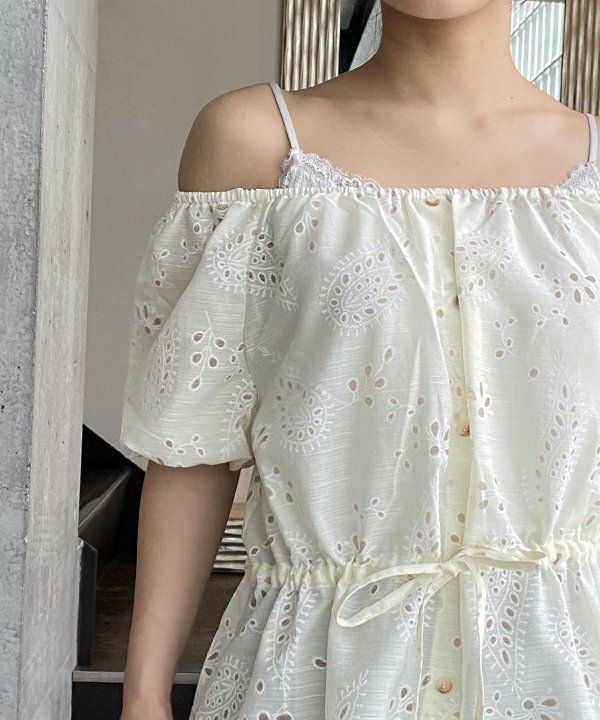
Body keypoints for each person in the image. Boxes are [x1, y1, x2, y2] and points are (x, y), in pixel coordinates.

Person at [118, 2, 600, 719]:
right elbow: (193, 445)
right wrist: (144, 695)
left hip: (564, 675)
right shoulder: (253, 143)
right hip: (317, 679)